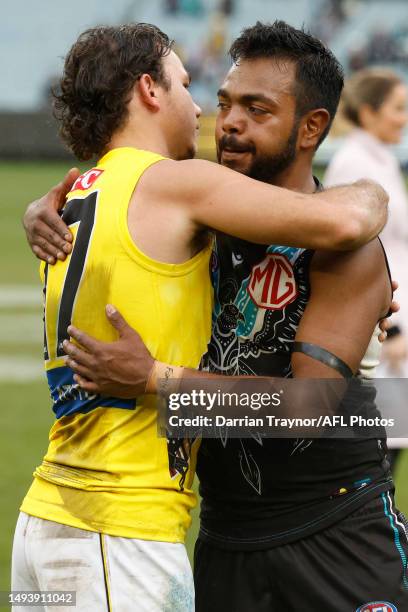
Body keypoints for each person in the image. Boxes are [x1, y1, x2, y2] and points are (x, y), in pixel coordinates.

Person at [24, 21, 405, 611]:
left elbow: (309, 410)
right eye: (224, 102)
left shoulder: (344, 248)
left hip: (335, 534)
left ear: (312, 128)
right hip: (222, 537)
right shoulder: (198, 220)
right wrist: (46, 207)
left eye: (257, 109)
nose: (227, 121)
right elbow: (118, 198)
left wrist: (157, 380)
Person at [325, 67, 408, 470]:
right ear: (370, 112)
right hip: (386, 332)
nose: (405, 117)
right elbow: (355, 254)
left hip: (397, 330)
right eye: (398, 108)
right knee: (377, 459)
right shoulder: (355, 162)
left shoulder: (381, 159)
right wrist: (389, 332)